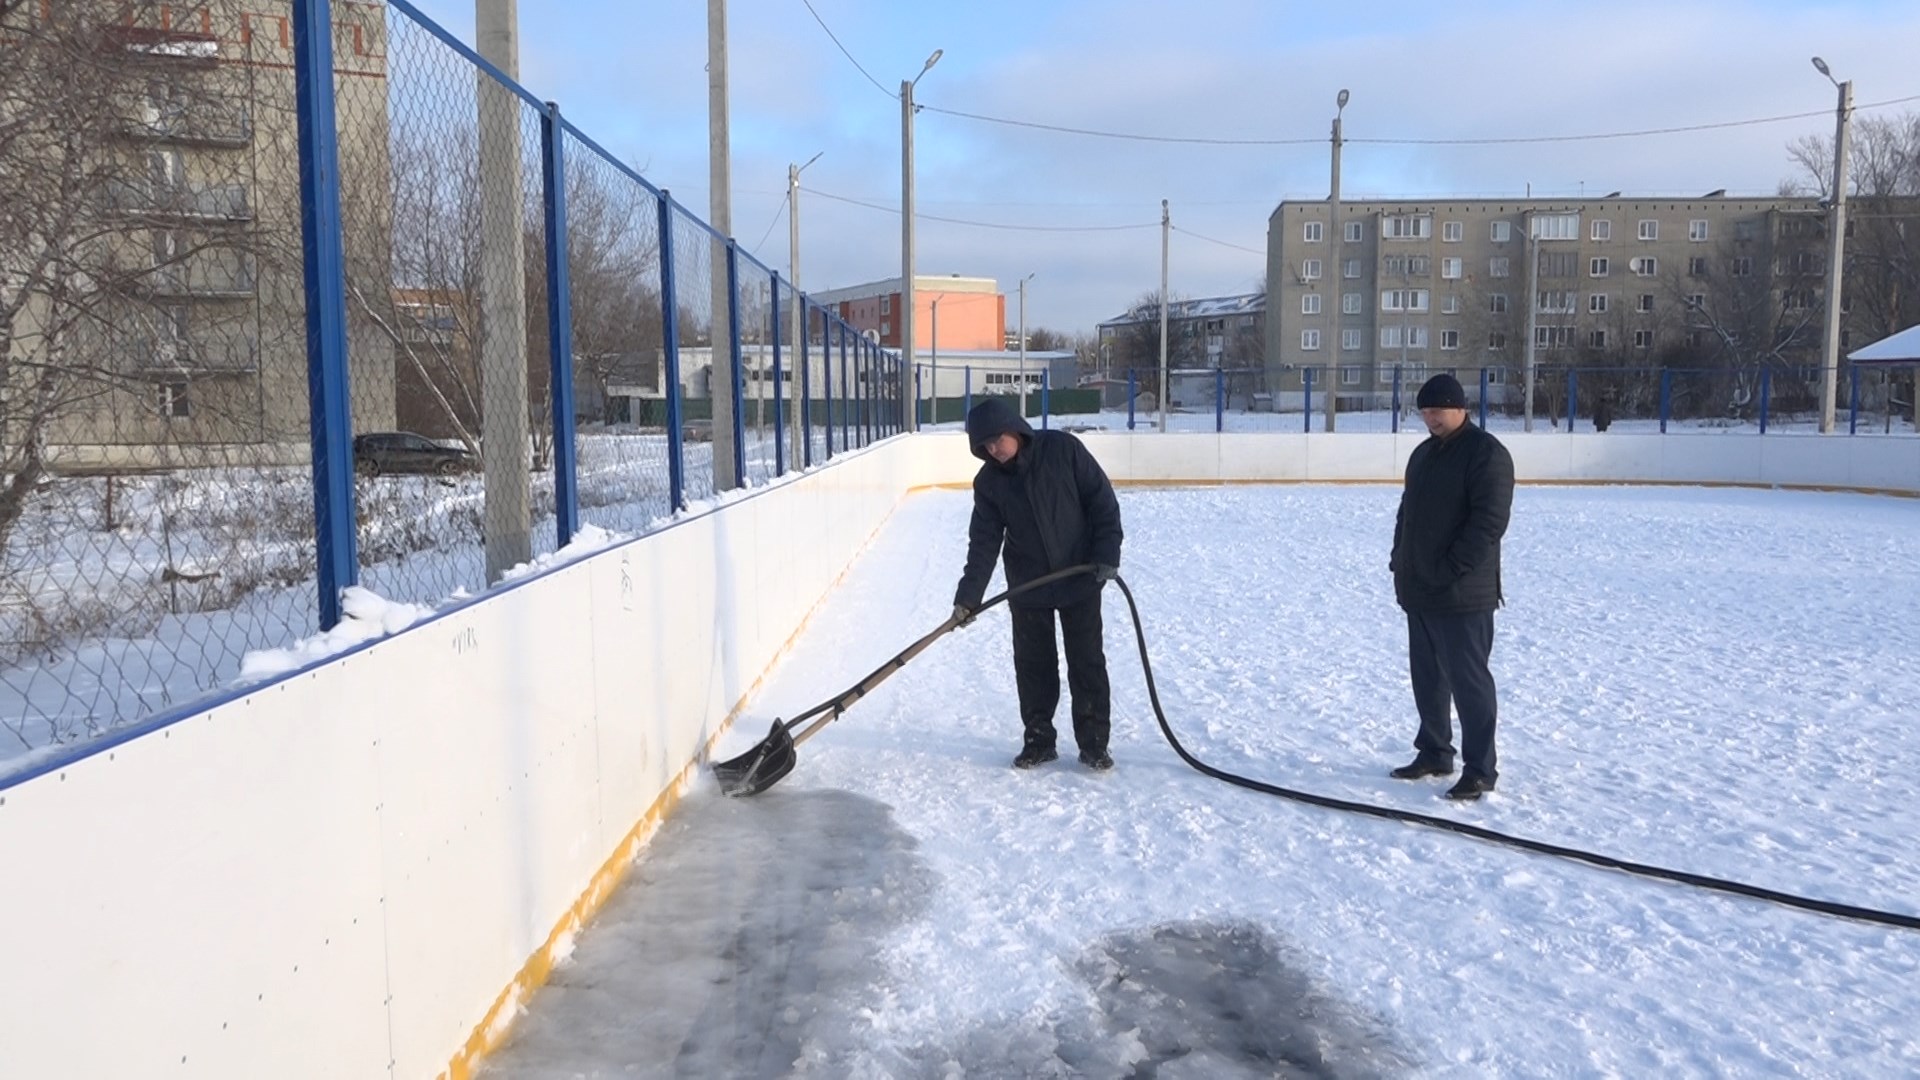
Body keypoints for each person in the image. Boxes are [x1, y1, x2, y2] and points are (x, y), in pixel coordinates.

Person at [953, 396, 1124, 771]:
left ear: (1014, 428)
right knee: (1033, 666)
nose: (993, 450)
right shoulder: (989, 483)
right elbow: (983, 543)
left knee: (1087, 663)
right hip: (1028, 587)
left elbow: (1102, 502)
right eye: (984, 446)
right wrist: (968, 598)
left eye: (997, 439)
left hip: (1079, 576)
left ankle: (1094, 743)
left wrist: (1107, 553)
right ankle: (1039, 739)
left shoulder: (1063, 450)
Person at [1388, 373, 1515, 801]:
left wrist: (1450, 569)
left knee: (1469, 682)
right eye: (1424, 412)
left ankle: (1480, 768)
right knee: (1428, 678)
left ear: (1460, 407)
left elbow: (1488, 524)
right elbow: (1408, 512)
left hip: (1462, 594)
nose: (1430, 419)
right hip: (1420, 589)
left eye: (1436, 410)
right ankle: (1435, 751)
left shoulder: (1486, 455)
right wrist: (1399, 560)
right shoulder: (1423, 455)